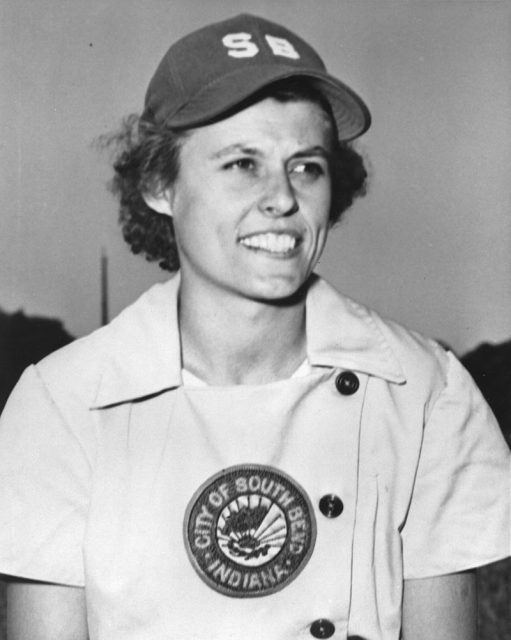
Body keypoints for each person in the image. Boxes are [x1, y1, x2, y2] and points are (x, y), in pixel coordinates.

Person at [0, 13, 509, 640]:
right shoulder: (61, 406)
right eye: (243, 163)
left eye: (307, 166)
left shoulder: (427, 394)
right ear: (160, 184)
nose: (283, 198)